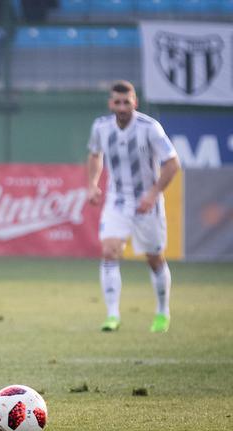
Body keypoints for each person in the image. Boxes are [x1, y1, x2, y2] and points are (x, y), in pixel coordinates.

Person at [86, 80, 180, 333]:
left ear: (134, 102)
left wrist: (153, 193)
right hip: (117, 201)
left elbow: (172, 163)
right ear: (110, 103)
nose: (122, 107)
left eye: (127, 102)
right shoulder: (101, 127)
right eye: (117, 102)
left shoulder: (150, 128)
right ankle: (112, 315)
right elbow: (95, 155)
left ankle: (162, 312)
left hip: (147, 204)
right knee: (109, 250)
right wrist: (93, 183)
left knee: (154, 258)